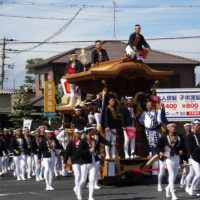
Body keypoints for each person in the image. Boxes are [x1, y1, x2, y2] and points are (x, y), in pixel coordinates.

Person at [157, 123, 185, 200]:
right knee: (171, 175)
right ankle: (173, 195)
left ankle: (167, 188)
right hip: (168, 158)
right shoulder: (164, 136)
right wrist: (160, 152)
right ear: (168, 128)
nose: (174, 128)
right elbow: (158, 145)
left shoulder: (179, 136)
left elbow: (182, 146)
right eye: (172, 126)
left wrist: (181, 151)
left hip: (177, 157)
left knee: (174, 176)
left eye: (175, 126)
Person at [64, 128, 82, 198]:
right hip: (75, 161)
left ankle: (75, 187)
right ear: (74, 134)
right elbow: (67, 152)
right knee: (77, 175)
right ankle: (77, 189)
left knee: (82, 176)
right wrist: (65, 162)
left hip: (82, 161)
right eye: (78, 133)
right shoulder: (71, 142)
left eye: (80, 133)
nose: (79, 134)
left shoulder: (83, 141)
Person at [185, 119, 200, 196]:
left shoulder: (198, 134)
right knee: (197, 174)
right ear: (193, 125)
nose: (199, 127)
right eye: (198, 125)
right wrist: (187, 159)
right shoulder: (189, 136)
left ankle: (192, 189)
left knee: (192, 173)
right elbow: (188, 148)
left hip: (198, 157)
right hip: (193, 158)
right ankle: (189, 188)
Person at [179, 123, 191, 188]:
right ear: (184, 128)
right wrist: (181, 150)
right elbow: (180, 144)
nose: (188, 128)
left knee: (190, 170)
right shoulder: (181, 135)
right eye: (186, 127)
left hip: (191, 154)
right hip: (184, 154)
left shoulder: (192, 134)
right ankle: (182, 181)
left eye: (189, 126)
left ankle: (187, 182)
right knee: (186, 170)